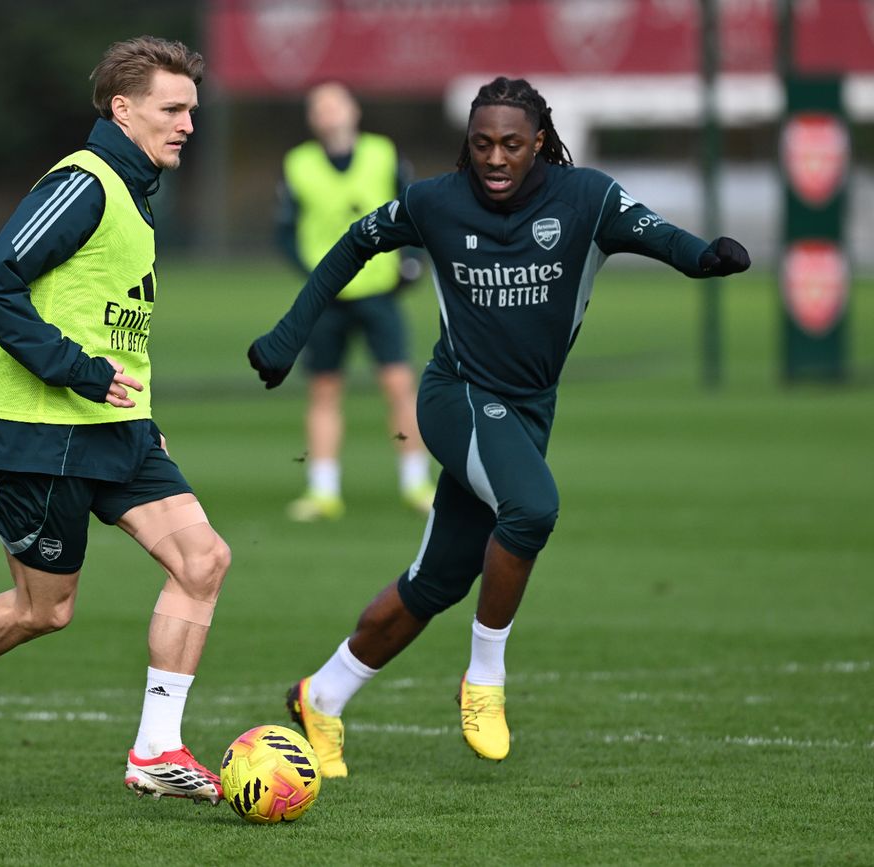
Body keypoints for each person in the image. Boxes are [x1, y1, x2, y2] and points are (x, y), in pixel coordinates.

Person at [248, 76, 750, 777]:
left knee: (436, 581)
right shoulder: (435, 201)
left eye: (512, 144)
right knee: (533, 507)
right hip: (456, 395)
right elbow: (351, 245)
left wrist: (706, 257)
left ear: (539, 141)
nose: (495, 158)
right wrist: (286, 335)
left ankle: (320, 695)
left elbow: (658, 235)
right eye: (481, 143)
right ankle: (484, 678)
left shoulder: (587, 198)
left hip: (528, 409)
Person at [0, 36, 229, 805]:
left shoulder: (134, 192)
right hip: (46, 433)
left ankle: (156, 750)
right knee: (44, 611)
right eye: (172, 108)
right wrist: (81, 373)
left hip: (118, 433)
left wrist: (142, 417)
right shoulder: (85, 181)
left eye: (192, 108)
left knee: (203, 560)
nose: (188, 122)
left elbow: (110, 319)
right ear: (121, 109)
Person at [275, 82, 434, 522]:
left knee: (399, 385)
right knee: (324, 390)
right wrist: (310, 272)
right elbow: (285, 230)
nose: (328, 114)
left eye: (335, 104)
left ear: (354, 111)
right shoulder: (299, 163)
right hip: (326, 297)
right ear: (312, 118)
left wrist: (413, 261)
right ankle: (324, 490)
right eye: (319, 107)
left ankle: (417, 482)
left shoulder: (383, 153)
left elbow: (414, 210)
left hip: (379, 291)